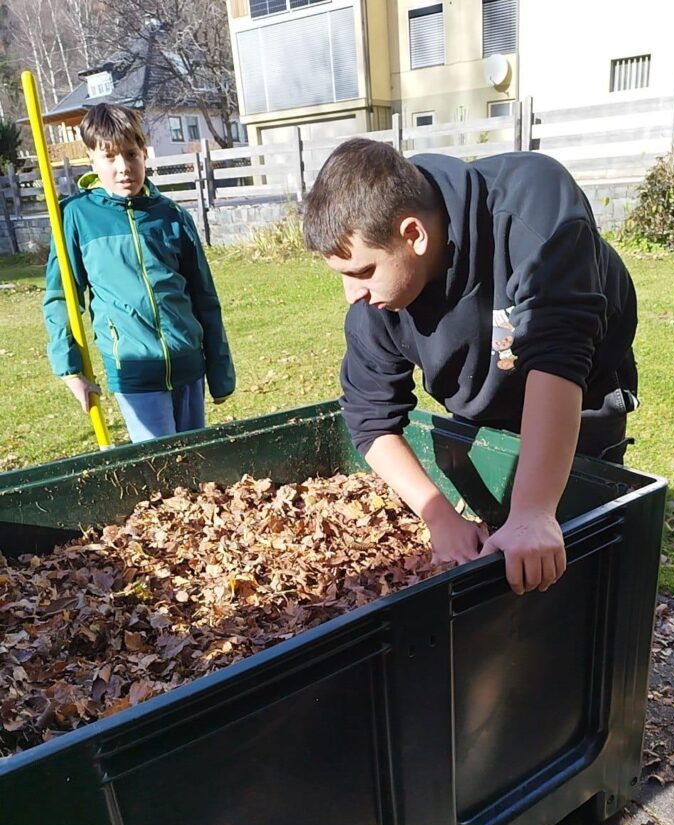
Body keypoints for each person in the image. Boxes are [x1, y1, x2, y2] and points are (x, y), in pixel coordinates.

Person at [303, 139, 639, 595]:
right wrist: (438, 516)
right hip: (480, 401)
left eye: (362, 271)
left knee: (575, 562)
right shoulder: (375, 305)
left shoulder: (533, 205)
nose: (352, 294)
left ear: (413, 235)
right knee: (498, 563)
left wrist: (534, 512)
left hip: (577, 395)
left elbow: (558, 354)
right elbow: (368, 417)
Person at [44, 103, 235, 443]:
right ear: (91, 160)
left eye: (131, 155)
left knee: (194, 461)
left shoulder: (172, 216)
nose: (123, 168)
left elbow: (205, 298)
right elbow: (62, 297)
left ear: (144, 153)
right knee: (160, 465)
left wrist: (219, 374)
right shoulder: (77, 217)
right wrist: (70, 370)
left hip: (188, 365)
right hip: (134, 371)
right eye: (110, 157)